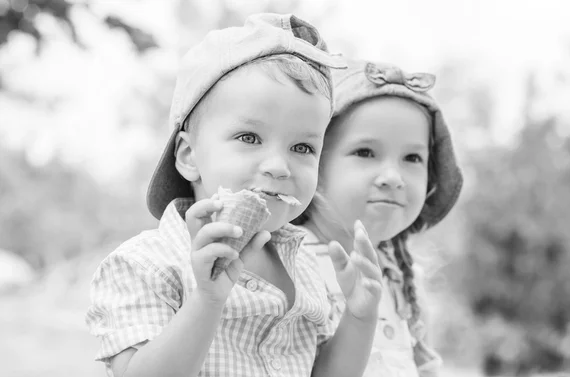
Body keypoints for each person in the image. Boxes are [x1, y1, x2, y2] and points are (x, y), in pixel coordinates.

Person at [85, 14, 383, 377]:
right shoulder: (147, 264)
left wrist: (359, 316)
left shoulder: (304, 264)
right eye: (249, 138)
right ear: (189, 155)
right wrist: (207, 300)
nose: (279, 166)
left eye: (303, 147)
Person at [293, 58, 464, 377]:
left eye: (412, 158)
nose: (393, 176)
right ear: (314, 164)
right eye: (366, 152)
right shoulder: (290, 263)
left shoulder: (404, 279)